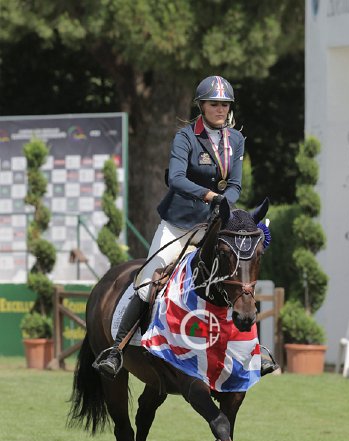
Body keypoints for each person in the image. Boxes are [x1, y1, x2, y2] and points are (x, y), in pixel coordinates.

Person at [96, 75, 278, 378]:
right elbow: (176, 178)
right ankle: (117, 349)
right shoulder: (186, 137)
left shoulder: (236, 139)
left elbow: (235, 185)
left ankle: (255, 350)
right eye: (214, 104)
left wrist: (224, 203)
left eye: (224, 104)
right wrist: (210, 196)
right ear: (202, 106)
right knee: (148, 281)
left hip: (214, 225)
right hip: (178, 224)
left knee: (237, 277)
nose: (220, 109)